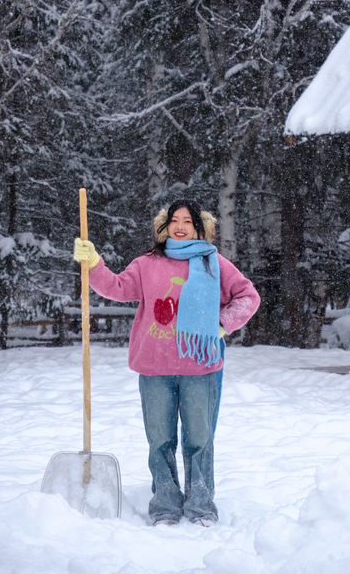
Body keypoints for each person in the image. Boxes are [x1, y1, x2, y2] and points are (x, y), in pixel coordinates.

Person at [73, 198, 260, 527]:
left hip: (199, 368)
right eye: (174, 220)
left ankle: (201, 505)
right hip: (155, 368)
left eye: (188, 221)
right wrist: (94, 263)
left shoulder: (212, 264)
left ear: (199, 228)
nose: (180, 226)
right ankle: (165, 504)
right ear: (164, 226)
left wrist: (221, 324)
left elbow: (248, 296)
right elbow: (116, 288)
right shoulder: (146, 264)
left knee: (199, 439)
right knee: (160, 440)